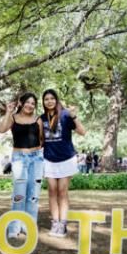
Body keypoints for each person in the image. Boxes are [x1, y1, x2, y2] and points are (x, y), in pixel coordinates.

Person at [0, 92, 45, 239]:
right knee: (19, 195)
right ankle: (14, 228)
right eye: (28, 102)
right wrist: (8, 112)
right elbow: (2, 129)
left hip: (36, 159)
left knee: (33, 195)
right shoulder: (13, 118)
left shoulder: (38, 120)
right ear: (21, 103)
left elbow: (42, 139)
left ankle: (29, 227)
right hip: (19, 159)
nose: (30, 105)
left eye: (33, 103)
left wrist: (36, 153)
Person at [41, 89, 86, 237]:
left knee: (62, 191)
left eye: (52, 98)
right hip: (49, 159)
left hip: (66, 158)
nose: (49, 101)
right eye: (46, 99)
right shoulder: (42, 118)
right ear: (43, 102)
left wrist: (74, 115)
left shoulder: (65, 115)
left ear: (56, 100)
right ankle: (55, 223)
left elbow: (82, 131)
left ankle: (63, 224)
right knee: (52, 191)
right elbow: (40, 140)